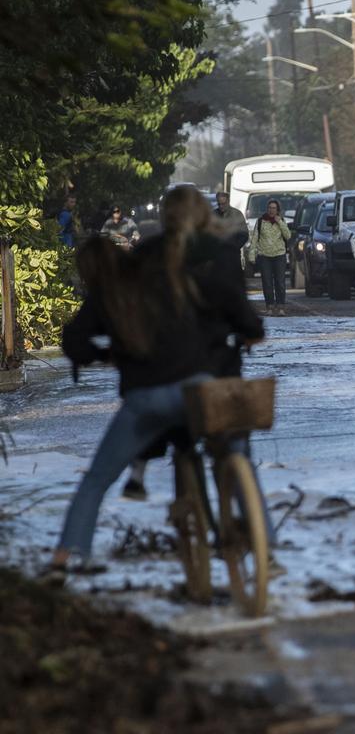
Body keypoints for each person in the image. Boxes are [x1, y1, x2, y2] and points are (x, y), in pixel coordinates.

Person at [51, 186, 266, 570]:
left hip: (145, 395)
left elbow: (78, 335)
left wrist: (104, 354)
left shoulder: (136, 272)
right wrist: (251, 328)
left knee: (98, 478)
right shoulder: (214, 258)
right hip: (202, 384)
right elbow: (233, 302)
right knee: (236, 452)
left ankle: (67, 555)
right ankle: (265, 544)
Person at [247, 199, 290, 316]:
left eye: (274, 208)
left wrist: (280, 222)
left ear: (277, 210)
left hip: (279, 256)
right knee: (267, 283)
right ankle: (269, 306)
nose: (271, 210)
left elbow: (288, 235)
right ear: (267, 209)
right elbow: (255, 238)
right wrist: (252, 254)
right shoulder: (261, 221)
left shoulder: (281, 220)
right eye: (270, 208)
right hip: (264, 256)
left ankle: (281, 307)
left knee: (280, 282)